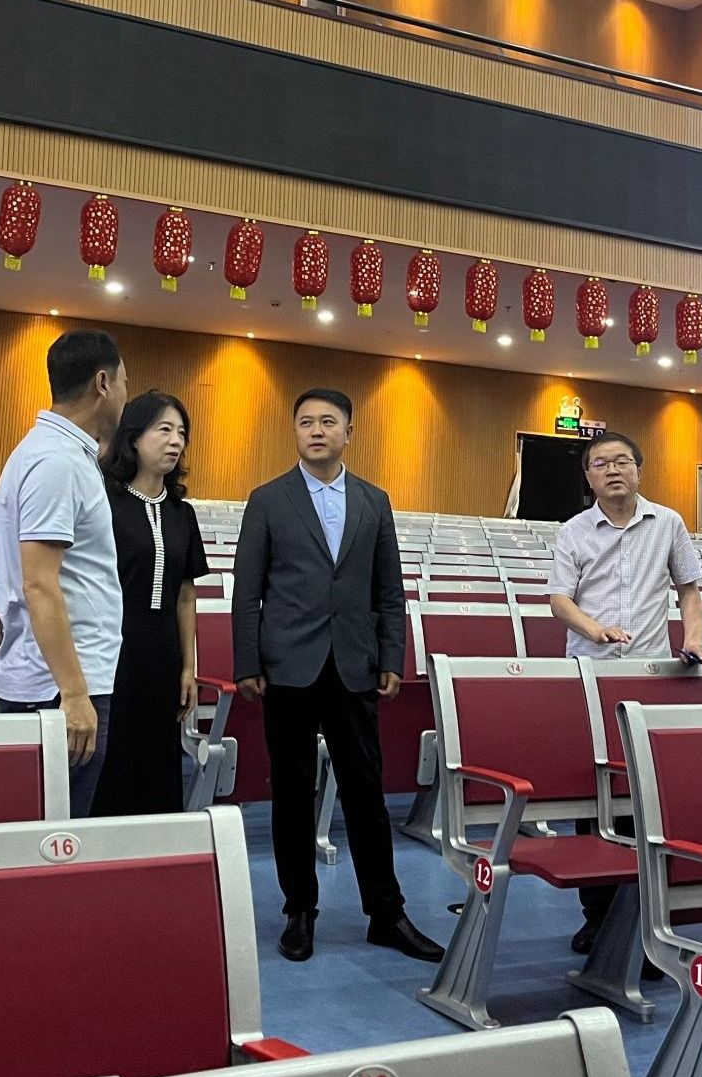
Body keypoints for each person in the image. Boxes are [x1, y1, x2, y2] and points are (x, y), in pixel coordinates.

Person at [233, 387, 444, 964]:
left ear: (349, 433)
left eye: (328, 422)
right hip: (288, 667)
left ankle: (386, 912)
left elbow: (390, 591)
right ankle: (299, 910)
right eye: (306, 422)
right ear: (295, 432)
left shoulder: (374, 501)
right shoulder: (267, 500)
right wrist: (248, 663)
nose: (316, 431)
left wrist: (391, 658)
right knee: (292, 794)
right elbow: (247, 591)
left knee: (365, 792)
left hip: (354, 665)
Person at [549, 430, 702, 959]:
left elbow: (688, 588)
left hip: (650, 674)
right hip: (590, 674)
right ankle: (596, 918)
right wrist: (594, 629)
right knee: (596, 794)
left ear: (639, 470)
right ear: (589, 476)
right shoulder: (573, 531)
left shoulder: (668, 523)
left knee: (645, 798)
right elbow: (559, 601)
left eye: (622, 461)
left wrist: (694, 636)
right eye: (601, 463)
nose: (613, 470)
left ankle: (646, 919)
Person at [0, 330, 129, 818]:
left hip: (60, 676)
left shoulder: (63, 453)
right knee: (53, 837)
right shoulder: (57, 461)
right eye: (124, 381)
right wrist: (73, 694)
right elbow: (39, 582)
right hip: (58, 684)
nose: (126, 394)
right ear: (102, 383)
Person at [91, 391, 208, 816]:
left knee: (159, 761)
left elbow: (185, 594)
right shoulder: (104, 503)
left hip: (163, 654)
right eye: (164, 430)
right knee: (113, 758)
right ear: (135, 437)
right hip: (113, 651)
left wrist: (188, 668)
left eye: (182, 433)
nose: (176, 441)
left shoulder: (182, 514)